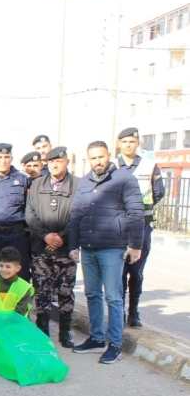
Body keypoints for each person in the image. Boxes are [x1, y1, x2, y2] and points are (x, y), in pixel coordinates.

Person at [68, 140, 144, 364]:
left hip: (112, 248)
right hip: (88, 248)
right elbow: (76, 215)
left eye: (101, 157)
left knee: (113, 297)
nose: (97, 161)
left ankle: (115, 344)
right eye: (93, 158)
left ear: (109, 155)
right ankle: (96, 338)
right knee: (92, 294)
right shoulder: (85, 182)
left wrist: (135, 245)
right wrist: (73, 245)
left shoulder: (124, 179)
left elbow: (136, 212)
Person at [26, 146, 77, 347]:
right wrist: (46, 235)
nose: (55, 165)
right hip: (41, 248)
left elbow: (79, 214)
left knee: (66, 291)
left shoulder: (77, 185)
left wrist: (62, 236)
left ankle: (65, 333)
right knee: (42, 291)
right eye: (51, 161)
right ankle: (42, 332)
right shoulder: (37, 184)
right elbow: (30, 214)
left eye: (59, 161)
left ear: (66, 162)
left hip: (66, 249)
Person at [117, 127, 164, 327]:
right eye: (125, 142)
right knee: (119, 273)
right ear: (119, 144)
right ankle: (118, 312)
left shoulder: (149, 166)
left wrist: (137, 209)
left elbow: (158, 192)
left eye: (132, 142)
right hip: (118, 228)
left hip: (142, 227)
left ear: (138, 144)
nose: (128, 145)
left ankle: (133, 312)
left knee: (136, 273)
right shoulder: (113, 166)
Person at [0, 143, 30, 282]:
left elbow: (29, 206)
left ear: (11, 158)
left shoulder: (22, 179)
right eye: (0, 157)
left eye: (7, 157)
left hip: (15, 235)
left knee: (18, 274)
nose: (3, 161)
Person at [0, 246, 34, 316]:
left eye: (8, 267)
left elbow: (19, 313)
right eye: (1, 266)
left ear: (18, 268)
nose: (3, 270)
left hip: (16, 322)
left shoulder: (24, 288)